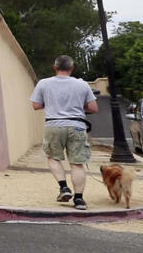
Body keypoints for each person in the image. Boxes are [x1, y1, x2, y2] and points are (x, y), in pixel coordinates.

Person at [30, 55, 99, 210]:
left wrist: (53, 103)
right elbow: (94, 108)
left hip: (53, 125)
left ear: (55, 67)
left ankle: (63, 188)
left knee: (53, 157)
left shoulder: (44, 83)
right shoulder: (82, 85)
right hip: (77, 125)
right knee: (77, 164)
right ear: (72, 68)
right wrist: (78, 107)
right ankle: (79, 199)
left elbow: (36, 105)